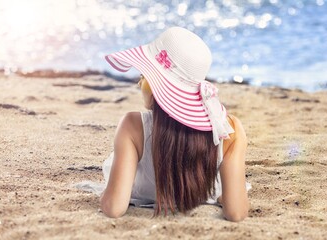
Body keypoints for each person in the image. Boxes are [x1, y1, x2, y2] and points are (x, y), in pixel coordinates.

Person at [100, 26, 250, 222]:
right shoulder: (230, 129)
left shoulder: (132, 125)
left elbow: (113, 208)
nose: (139, 83)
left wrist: (104, 196)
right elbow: (236, 212)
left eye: (145, 75)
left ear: (159, 83)